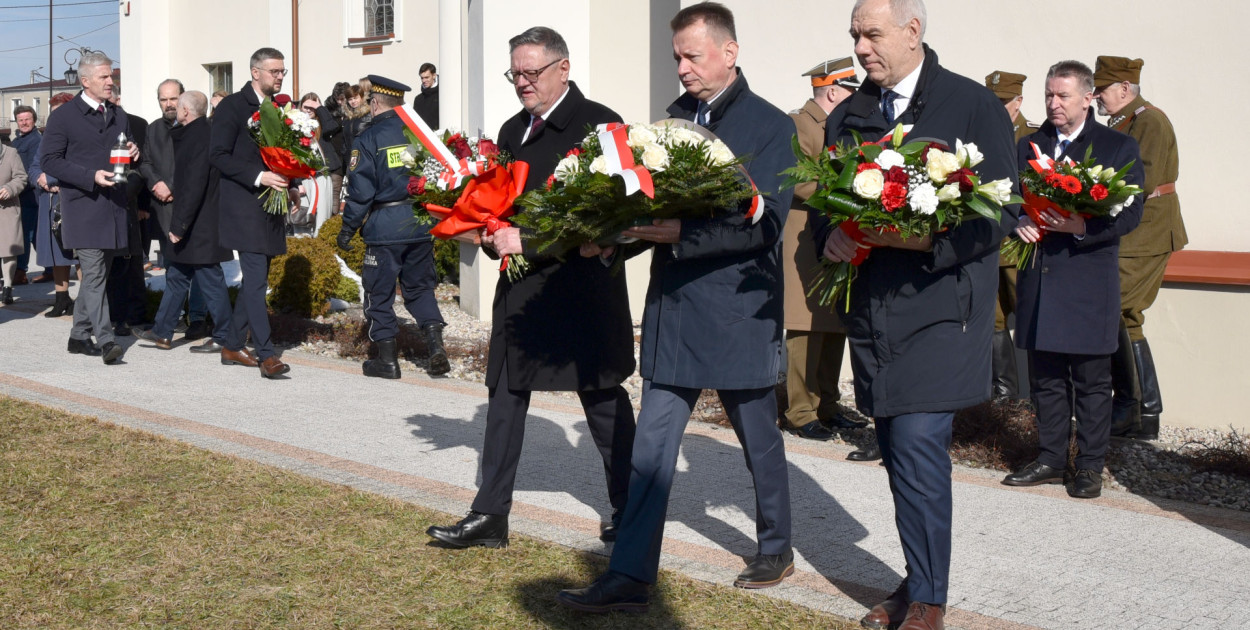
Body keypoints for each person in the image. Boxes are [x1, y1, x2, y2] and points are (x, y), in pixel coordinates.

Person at [557, 3, 796, 613]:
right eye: (677, 58)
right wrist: (615, 236)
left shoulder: (772, 127)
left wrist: (677, 236)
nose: (683, 68)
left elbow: (764, 226)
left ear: (729, 52)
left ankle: (777, 544)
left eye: (692, 56)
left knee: (758, 438)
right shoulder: (670, 124)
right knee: (652, 448)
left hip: (740, 308)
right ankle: (631, 574)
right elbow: (649, 216)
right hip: (676, 312)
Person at [810, 1, 1017, 628]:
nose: (860, 47)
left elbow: (1000, 215)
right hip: (876, 314)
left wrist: (926, 241)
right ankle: (919, 577)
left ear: (912, 31)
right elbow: (825, 201)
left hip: (942, 309)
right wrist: (832, 236)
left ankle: (928, 600)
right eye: (854, 35)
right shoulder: (850, 115)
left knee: (920, 444)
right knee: (899, 447)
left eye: (871, 34)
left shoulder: (969, 105)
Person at [425, 26, 636, 552]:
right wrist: (482, 228)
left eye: (530, 72)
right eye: (514, 72)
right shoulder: (512, 129)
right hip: (522, 291)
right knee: (505, 394)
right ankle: (490, 513)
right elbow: (503, 208)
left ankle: (631, 509)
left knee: (603, 399)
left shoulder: (601, 125)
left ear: (563, 69)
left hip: (582, 289)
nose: (521, 82)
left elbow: (613, 216)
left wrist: (530, 239)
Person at [1003, 60, 1144, 500]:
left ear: (1088, 98)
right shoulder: (1030, 145)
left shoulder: (1115, 147)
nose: (1053, 103)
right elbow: (1004, 193)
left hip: (1086, 281)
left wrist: (1080, 228)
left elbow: (1132, 212)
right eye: (1048, 94)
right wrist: (1018, 219)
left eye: (1062, 96)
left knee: (1091, 382)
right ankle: (1048, 458)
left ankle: (1088, 466)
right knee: (1045, 379)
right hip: (1041, 278)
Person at [1093, 56, 1186, 442]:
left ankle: (1130, 408)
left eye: (1102, 90)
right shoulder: (1125, 122)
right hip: (1133, 232)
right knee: (1126, 318)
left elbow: (1138, 179)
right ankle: (1143, 415)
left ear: (1125, 89)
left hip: (1146, 233)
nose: (1096, 96)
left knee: (1115, 310)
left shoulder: (1149, 120)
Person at [335, 75, 448, 379]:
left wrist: (347, 229)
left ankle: (387, 361)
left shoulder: (368, 139)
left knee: (379, 293)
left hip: (385, 229)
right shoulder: (420, 135)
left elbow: (361, 193)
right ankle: (436, 348)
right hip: (421, 224)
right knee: (421, 289)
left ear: (374, 103)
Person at [782, 57, 869, 444]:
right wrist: (843, 193)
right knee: (805, 326)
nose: (855, 98)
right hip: (804, 234)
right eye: (850, 91)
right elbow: (795, 180)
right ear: (833, 91)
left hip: (837, 230)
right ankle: (800, 410)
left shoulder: (841, 125)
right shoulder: (800, 123)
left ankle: (828, 405)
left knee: (834, 322)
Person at [38, 51, 140, 364]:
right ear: (86, 81)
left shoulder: (118, 114)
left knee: (98, 277)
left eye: (112, 76)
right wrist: (90, 176)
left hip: (114, 208)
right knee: (94, 274)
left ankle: (78, 336)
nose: (111, 82)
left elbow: (126, 146)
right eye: (105, 77)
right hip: (83, 209)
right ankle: (107, 340)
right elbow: (50, 160)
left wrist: (133, 150)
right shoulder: (64, 116)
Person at [210, 47, 295, 379]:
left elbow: (284, 156)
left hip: (271, 206)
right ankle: (267, 356)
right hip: (244, 206)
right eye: (275, 71)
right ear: (255, 72)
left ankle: (231, 344)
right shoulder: (233, 106)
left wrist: (292, 185)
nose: (280, 76)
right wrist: (258, 176)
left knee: (257, 282)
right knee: (256, 281)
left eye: (282, 72)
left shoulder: (277, 107)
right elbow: (217, 155)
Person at [136, 91, 236, 354]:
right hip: (195, 221)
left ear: (185, 112)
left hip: (199, 223)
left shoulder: (198, 137)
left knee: (210, 278)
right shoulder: (199, 133)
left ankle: (225, 335)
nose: (175, 109)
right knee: (178, 276)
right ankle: (162, 331)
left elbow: (193, 186)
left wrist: (179, 227)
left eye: (178, 106)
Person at [139, 79, 210, 341]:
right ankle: (175, 318)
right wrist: (156, 183)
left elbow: (198, 169)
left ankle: (199, 319)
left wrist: (172, 187)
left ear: (183, 99)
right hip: (164, 208)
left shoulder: (199, 128)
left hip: (192, 207)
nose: (168, 104)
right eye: (163, 99)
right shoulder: (154, 129)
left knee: (201, 266)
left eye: (173, 98)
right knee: (173, 266)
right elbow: (145, 162)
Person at [985, 70, 1036, 402]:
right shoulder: (980, 134)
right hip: (989, 244)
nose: (997, 107)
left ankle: (1045, 396)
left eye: (1003, 101)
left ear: (1018, 101)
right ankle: (1005, 397)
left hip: (1021, 245)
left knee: (1034, 319)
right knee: (993, 320)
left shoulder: (1034, 137)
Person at [104, 89, 151, 337]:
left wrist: (141, 203)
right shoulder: (94, 124)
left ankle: (134, 315)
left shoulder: (137, 124)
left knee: (132, 262)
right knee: (109, 265)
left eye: (113, 97)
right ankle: (113, 316)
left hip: (130, 203)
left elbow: (144, 165)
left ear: (119, 99)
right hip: (101, 201)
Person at [31, 94, 79, 317]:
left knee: (78, 255)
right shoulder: (46, 140)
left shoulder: (79, 138)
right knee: (56, 254)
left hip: (71, 203)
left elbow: (73, 169)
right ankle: (62, 300)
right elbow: (33, 168)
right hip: (48, 204)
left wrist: (49, 179)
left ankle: (86, 303)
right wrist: (39, 178)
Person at [9, 106, 42, 285]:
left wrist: (14, 187)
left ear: (34, 120)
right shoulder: (17, 140)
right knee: (34, 235)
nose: (24, 123)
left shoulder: (36, 141)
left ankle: (20, 272)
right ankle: (52, 269)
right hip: (21, 196)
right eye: (20, 119)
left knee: (26, 235)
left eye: (27, 119)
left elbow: (30, 172)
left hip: (30, 197)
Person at [299, 92, 344, 222]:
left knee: (326, 213)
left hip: (324, 174)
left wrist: (319, 108)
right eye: (306, 106)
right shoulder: (295, 124)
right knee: (305, 215)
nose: (309, 110)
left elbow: (332, 126)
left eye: (312, 107)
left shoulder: (322, 124)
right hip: (304, 177)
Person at [0, 141, 29, 304]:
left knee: (8, 251)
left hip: (7, 209)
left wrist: (10, 188)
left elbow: (21, 177)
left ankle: (8, 287)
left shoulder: (11, 153)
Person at [411, 62, 439, 128]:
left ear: (434, 75)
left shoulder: (443, 95)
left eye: (427, 77)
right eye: (422, 78)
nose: (424, 80)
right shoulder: (418, 99)